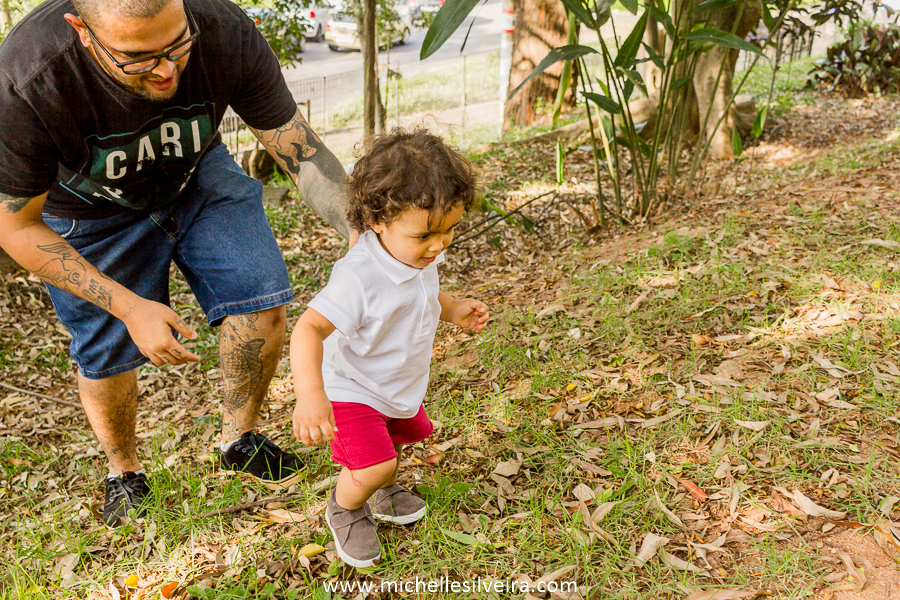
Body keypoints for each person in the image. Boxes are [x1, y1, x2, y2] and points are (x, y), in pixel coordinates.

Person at [0, 0, 353, 526]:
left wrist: (366, 232)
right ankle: (125, 473)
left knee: (261, 300)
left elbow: (299, 152)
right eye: (139, 58)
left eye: (177, 45)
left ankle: (238, 438)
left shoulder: (224, 29)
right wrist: (127, 306)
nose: (167, 70)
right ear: (83, 31)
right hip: (88, 212)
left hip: (196, 174)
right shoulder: (28, 77)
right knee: (107, 352)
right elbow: (15, 225)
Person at [290, 129, 489, 568]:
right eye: (425, 236)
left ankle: (381, 491)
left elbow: (423, 293)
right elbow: (308, 328)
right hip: (351, 387)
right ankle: (345, 507)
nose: (438, 246)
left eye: (449, 231)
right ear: (378, 220)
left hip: (395, 382)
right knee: (375, 463)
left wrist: (452, 309)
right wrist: (310, 395)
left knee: (396, 442)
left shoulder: (417, 252)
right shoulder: (359, 276)